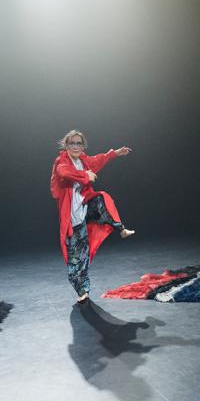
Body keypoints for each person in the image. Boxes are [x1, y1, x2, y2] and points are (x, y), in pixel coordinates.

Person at [50, 130, 134, 304]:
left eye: (78, 143)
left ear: (83, 146)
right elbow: (63, 173)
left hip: (86, 208)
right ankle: (83, 290)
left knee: (102, 198)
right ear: (66, 146)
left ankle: (121, 228)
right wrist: (84, 176)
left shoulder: (84, 160)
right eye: (72, 143)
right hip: (72, 221)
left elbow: (98, 159)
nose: (75, 146)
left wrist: (115, 153)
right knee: (78, 260)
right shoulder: (62, 161)